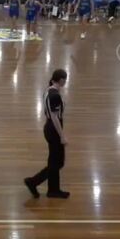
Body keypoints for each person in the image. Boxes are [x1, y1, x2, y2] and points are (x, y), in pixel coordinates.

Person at [24, 69, 70, 199]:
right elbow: (55, 117)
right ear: (61, 80)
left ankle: (53, 190)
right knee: (58, 163)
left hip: (49, 127)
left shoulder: (48, 90)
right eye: (65, 79)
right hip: (54, 129)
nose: (65, 81)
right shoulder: (55, 95)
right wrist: (62, 136)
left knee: (54, 161)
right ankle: (33, 182)